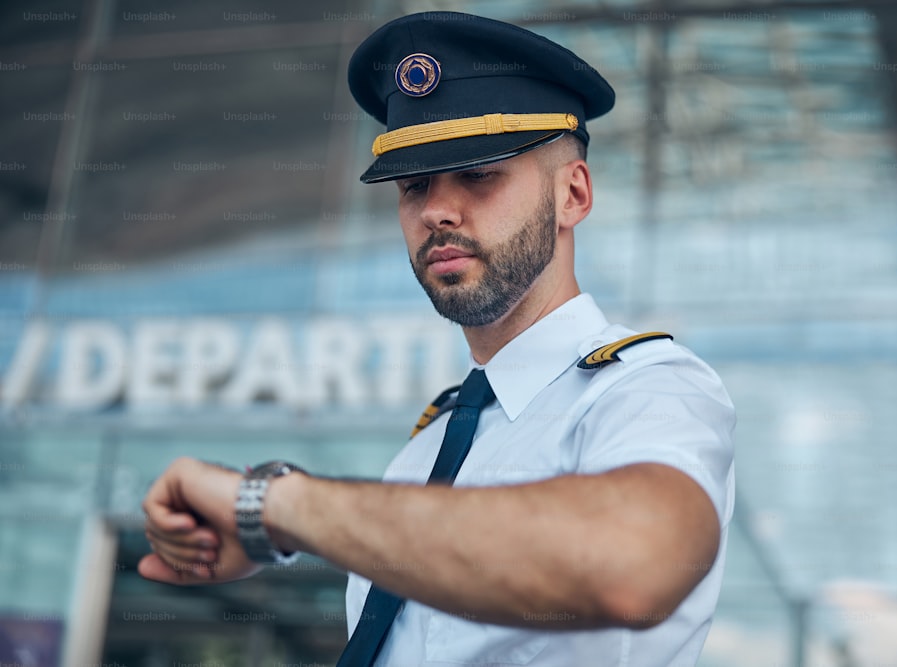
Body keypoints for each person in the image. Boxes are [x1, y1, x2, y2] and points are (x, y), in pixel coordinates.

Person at [140, 11, 736, 667]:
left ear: (573, 194)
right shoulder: (426, 449)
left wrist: (274, 506)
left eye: (480, 174)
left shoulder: (649, 387)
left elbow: (633, 561)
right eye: (414, 184)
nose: (436, 211)